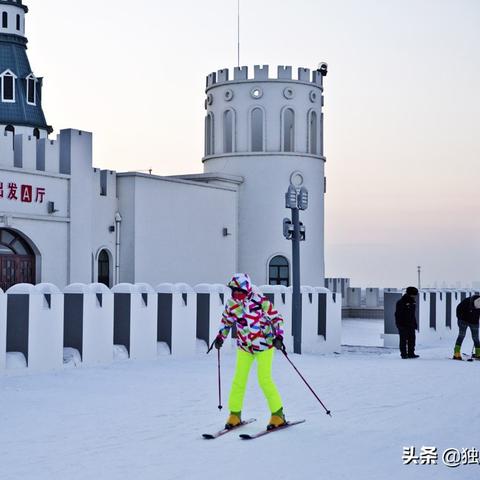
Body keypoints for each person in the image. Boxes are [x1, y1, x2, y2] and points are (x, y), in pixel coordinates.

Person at [214, 273, 286, 430]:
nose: (236, 295)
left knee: (264, 379)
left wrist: (279, 337)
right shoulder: (232, 304)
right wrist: (220, 337)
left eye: (239, 291)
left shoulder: (260, 301)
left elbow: (277, 318)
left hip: (264, 346)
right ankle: (235, 414)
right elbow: (226, 322)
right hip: (244, 347)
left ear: (246, 290)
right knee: (238, 380)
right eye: (234, 292)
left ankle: (278, 414)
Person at [452, 295, 480, 361]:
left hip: (474, 322)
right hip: (463, 320)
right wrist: (460, 318)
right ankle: (456, 353)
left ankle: (478, 353)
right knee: (461, 335)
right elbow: (458, 309)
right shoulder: (467, 301)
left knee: (476, 337)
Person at [395, 286, 419, 359]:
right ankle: (404, 354)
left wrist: (415, 323)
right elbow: (397, 315)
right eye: (414, 295)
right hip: (403, 325)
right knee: (403, 340)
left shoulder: (413, 302)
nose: (415, 296)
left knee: (412, 340)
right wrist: (399, 325)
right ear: (410, 294)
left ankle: (411, 353)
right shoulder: (401, 302)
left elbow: (412, 314)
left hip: (411, 324)